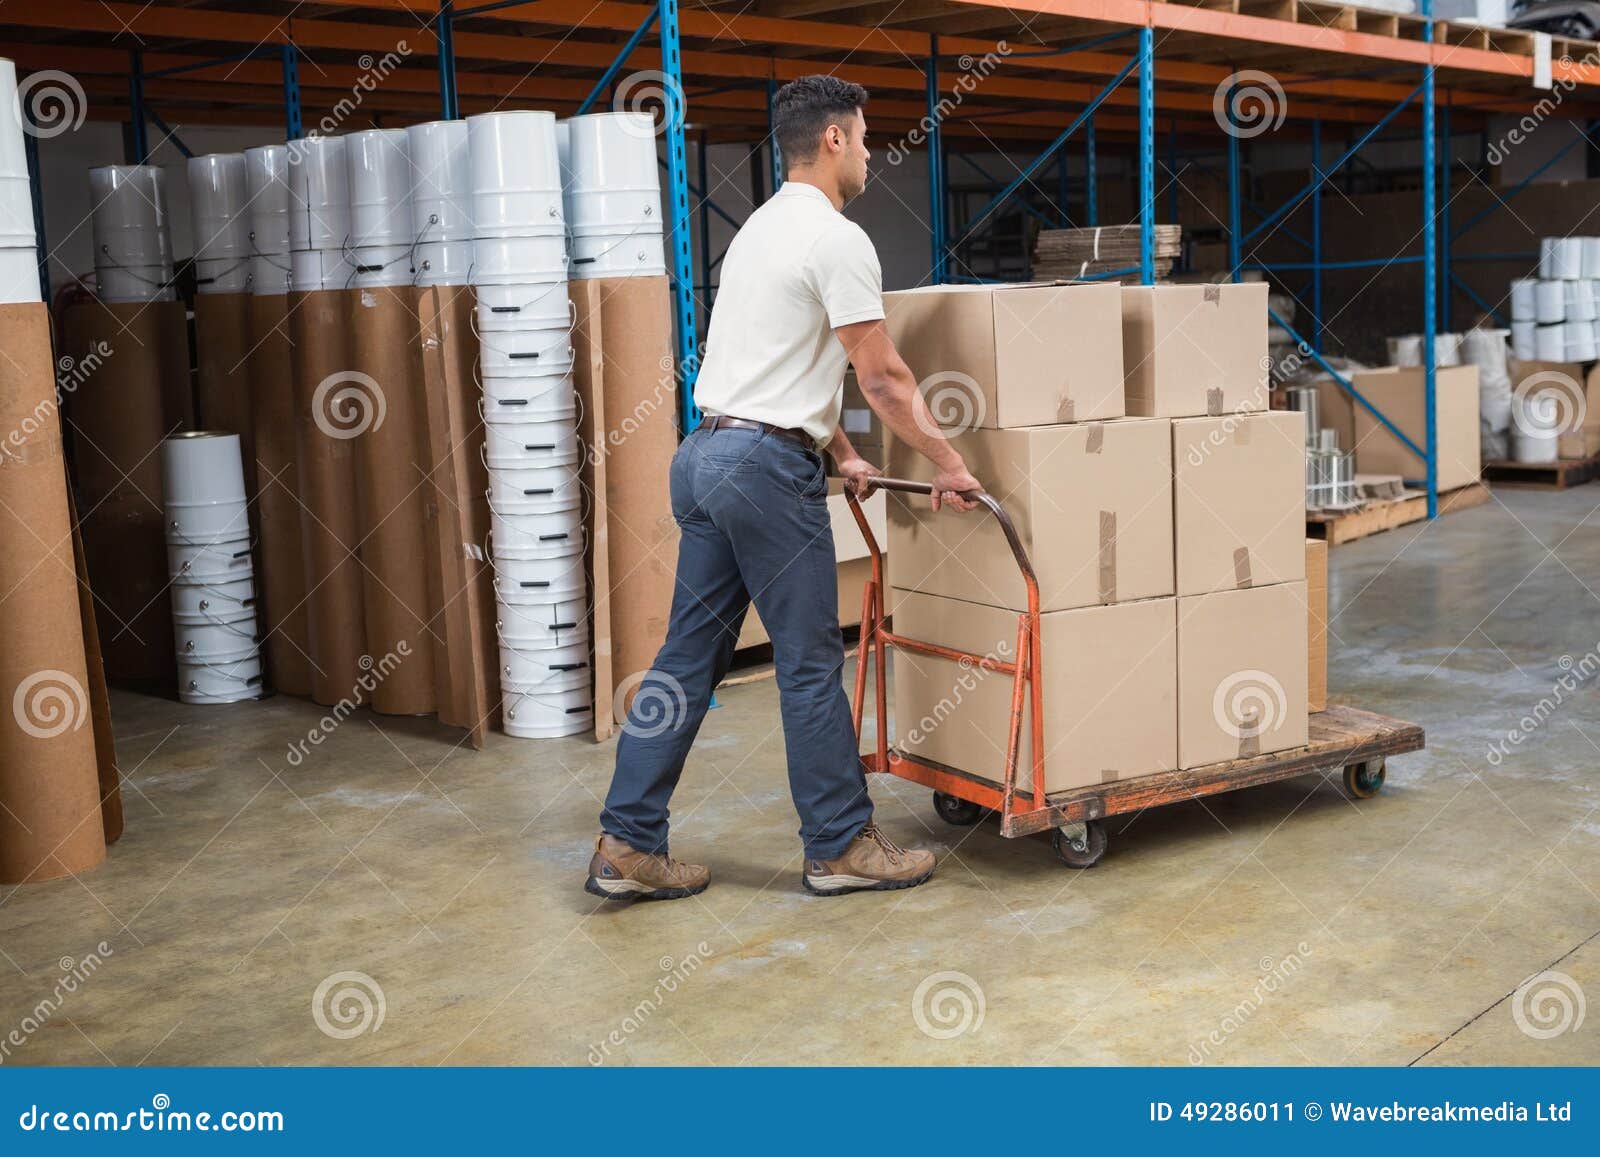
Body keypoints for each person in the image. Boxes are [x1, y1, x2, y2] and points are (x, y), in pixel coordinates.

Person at [586, 75, 982, 902]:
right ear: (834, 139)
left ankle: (625, 842)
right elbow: (884, 379)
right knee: (807, 663)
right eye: (866, 137)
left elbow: (772, 360)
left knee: (686, 659)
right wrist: (950, 463)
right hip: (763, 471)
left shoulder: (763, 230)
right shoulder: (838, 239)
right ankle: (840, 845)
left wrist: (837, 447)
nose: (873, 152)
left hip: (707, 455)